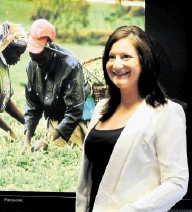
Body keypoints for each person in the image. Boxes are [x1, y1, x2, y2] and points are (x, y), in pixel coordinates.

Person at [76, 26, 189, 211]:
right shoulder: (101, 108)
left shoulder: (167, 112)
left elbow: (176, 183)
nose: (116, 64)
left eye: (126, 56)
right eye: (111, 57)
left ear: (145, 62)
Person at [22, 19, 89, 153]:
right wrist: (26, 141)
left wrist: (47, 141)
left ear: (50, 46)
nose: (37, 62)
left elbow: (74, 112)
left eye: (41, 56)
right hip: (54, 121)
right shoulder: (32, 65)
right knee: (40, 152)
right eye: (33, 56)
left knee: (61, 152)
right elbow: (32, 107)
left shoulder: (71, 66)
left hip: (74, 123)